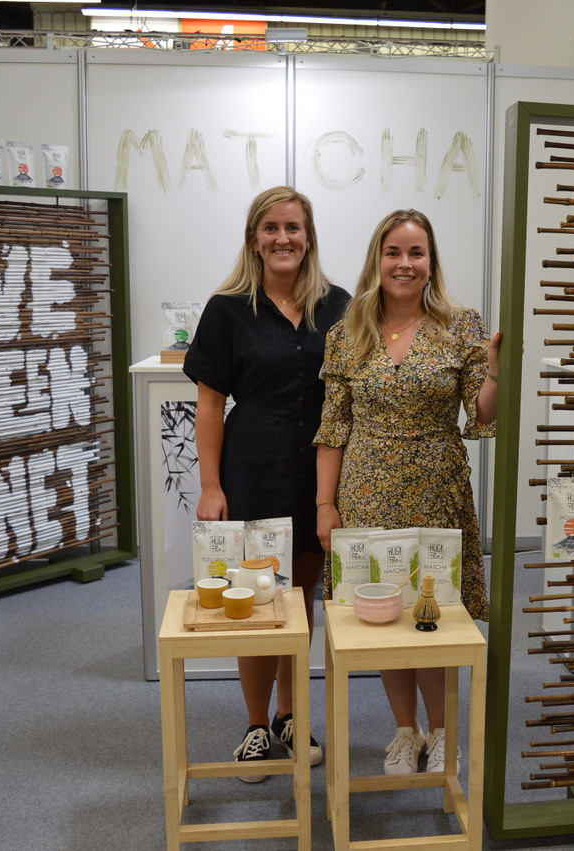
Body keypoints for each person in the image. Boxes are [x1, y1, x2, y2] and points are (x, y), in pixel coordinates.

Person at [314, 208, 499, 775]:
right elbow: (333, 428)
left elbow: (481, 415)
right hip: (365, 494)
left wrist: (495, 372)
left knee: (434, 615)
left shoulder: (461, 326)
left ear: (431, 263)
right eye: (393, 252)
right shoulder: (347, 333)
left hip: (436, 493)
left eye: (416, 253)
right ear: (377, 259)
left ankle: (442, 733)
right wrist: (325, 505)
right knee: (381, 616)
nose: (404, 263)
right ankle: (405, 730)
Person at [184, 186, 350, 781]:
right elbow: (209, 405)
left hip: (318, 477)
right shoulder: (227, 309)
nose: (283, 238)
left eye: (293, 228)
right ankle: (256, 725)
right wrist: (211, 485)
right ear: (255, 239)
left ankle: (289, 715)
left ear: (309, 237)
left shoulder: (338, 305)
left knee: (300, 600)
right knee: (255, 603)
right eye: (271, 228)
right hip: (252, 469)